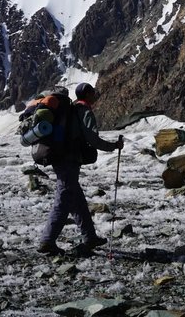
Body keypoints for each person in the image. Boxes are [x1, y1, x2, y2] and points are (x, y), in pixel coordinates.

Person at [37, 83, 123, 256]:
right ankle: (47, 240)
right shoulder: (83, 111)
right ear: (87, 94)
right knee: (63, 199)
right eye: (93, 92)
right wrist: (114, 146)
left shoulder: (71, 109)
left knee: (76, 199)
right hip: (69, 159)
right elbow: (93, 139)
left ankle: (90, 237)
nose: (95, 95)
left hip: (59, 157)